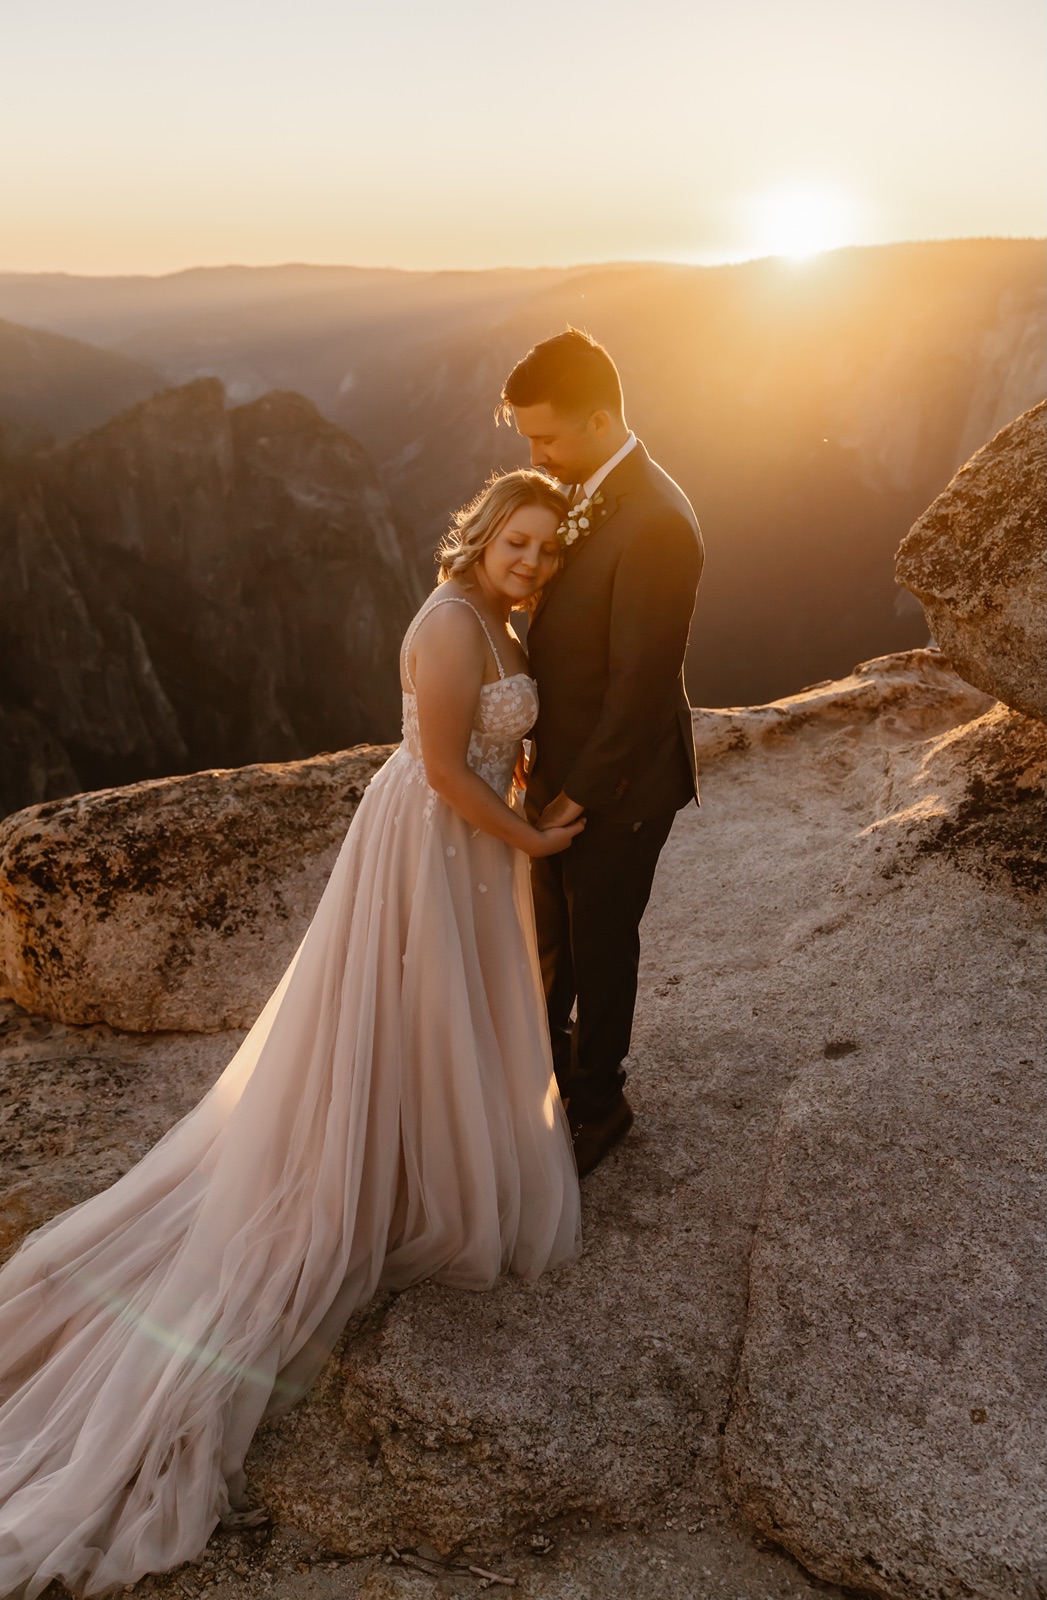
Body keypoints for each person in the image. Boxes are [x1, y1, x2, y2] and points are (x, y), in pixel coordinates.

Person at [0, 469, 583, 1600]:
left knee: (444, 1015)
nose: (533, 562)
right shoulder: (452, 623)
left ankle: (421, 1143)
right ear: (482, 535)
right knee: (405, 1011)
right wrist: (535, 840)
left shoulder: (503, 617)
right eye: (519, 542)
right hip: (431, 843)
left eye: (548, 550)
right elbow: (441, 771)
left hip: (462, 848)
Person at [499, 329, 705, 1177]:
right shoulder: (586, 491)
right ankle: (546, 1074)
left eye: (545, 438)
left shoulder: (656, 522)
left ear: (597, 418)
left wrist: (575, 795)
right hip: (559, 767)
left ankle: (599, 1104)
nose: (536, 455)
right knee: (550, 938)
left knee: (601, 943)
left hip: (617, 785)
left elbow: (640, 687)